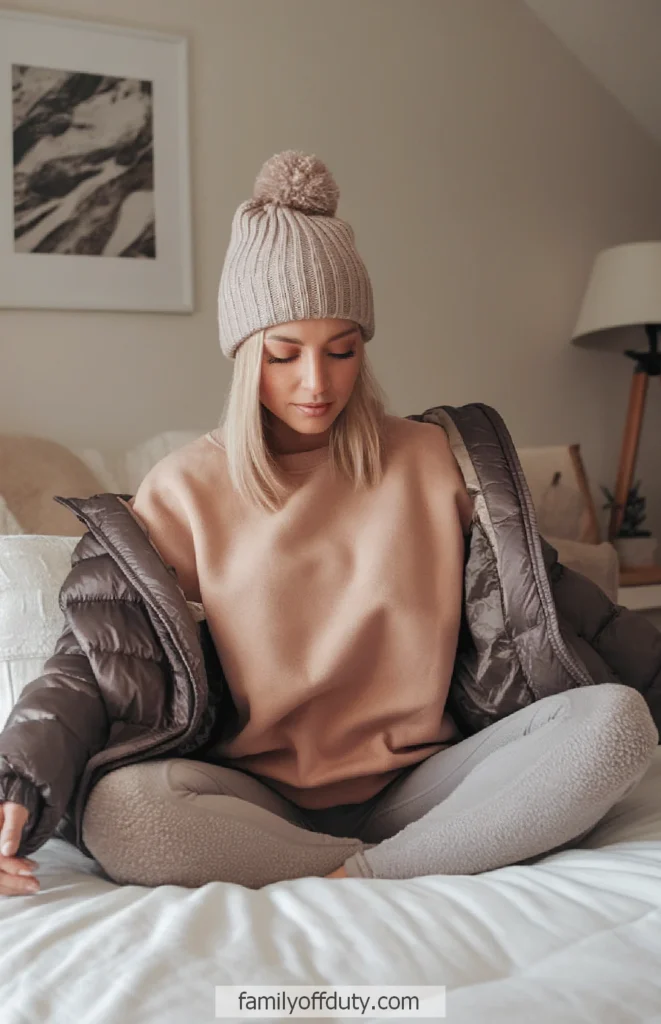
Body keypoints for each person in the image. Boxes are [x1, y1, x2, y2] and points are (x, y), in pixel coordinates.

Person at [0, 151, 658, 896]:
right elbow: (92, 661)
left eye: (341, 351)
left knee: (617, 723)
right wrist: (17, 782)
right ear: (246, 357)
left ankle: (365, 872)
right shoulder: (181, 489)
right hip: (257, 798)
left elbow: (563, 607)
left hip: (427, 782)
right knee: (124, 813)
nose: (317, 383)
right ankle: (413, 860)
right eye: (284, 356)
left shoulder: (433, 459)